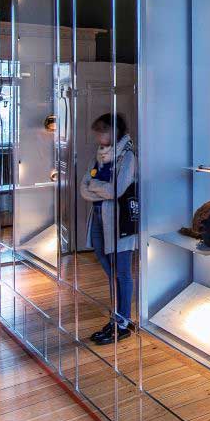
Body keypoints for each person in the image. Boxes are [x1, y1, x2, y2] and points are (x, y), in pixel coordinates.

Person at [83, 113, 139, 345]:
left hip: (119, 221)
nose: (98, 136)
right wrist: (99, 187)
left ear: (113, 132)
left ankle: (123, 320)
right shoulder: (100, 155)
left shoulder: (127, 156)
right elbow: (83, 188)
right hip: (98, 217)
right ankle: (117, 317)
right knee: (110, 270)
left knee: (122, 272)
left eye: (101, 131)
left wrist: (95, 187)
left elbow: (114, 191)